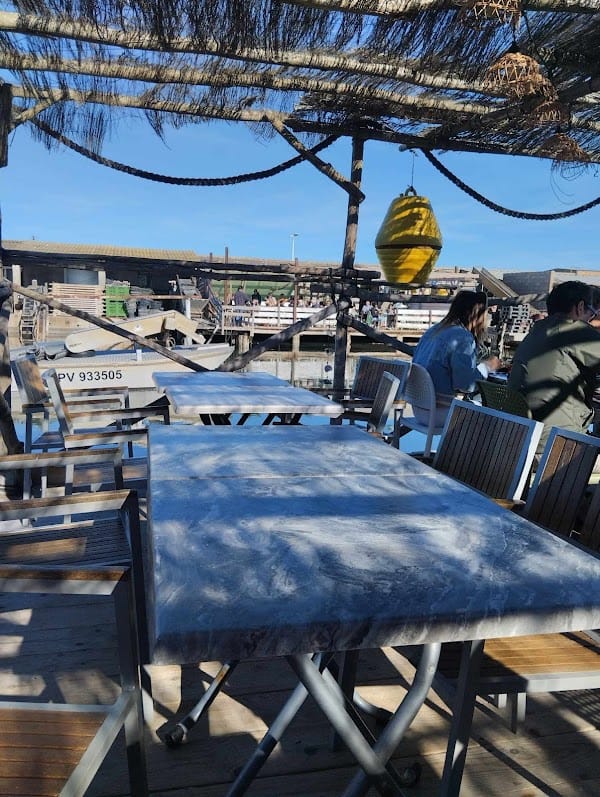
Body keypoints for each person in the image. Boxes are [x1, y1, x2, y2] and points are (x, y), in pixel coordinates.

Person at [508, 280, 600, 450]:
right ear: (580, 307)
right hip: (556, 446)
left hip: (521, 440)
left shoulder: (536, 331)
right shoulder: (574, 331)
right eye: (591, 314)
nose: (590, 320)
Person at [412, 290, 502, 425]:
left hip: (418, 408)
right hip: (439, 412)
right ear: (476, 314)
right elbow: (466, 385)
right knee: (498, 418)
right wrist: (488, 366)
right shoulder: (463, 337)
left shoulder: (434, 330)